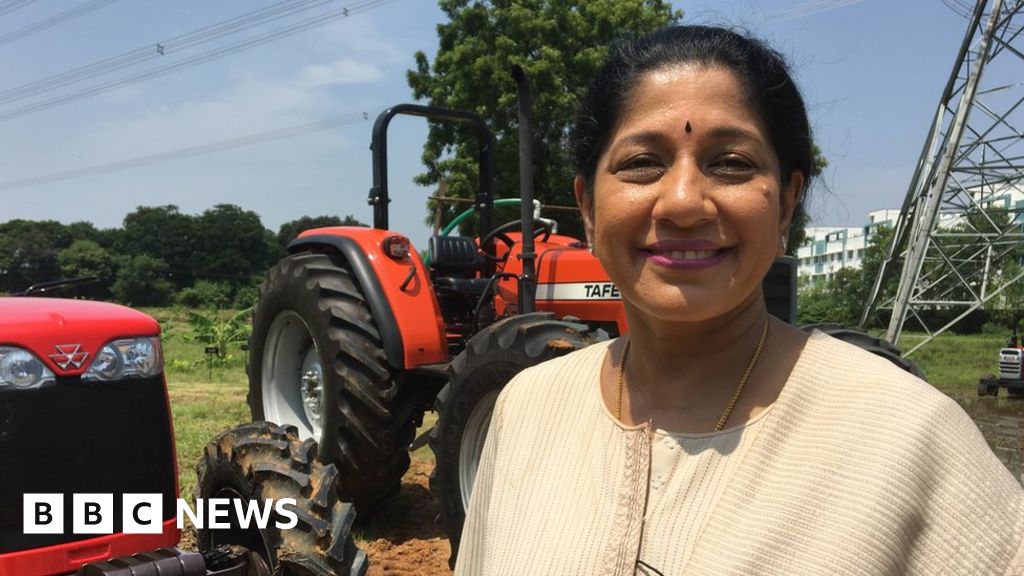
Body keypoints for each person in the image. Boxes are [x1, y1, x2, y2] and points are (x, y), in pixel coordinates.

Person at [453, 25, 1024, 576]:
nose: (682, 203)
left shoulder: (908, 435)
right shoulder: (524, 410)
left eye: (731, 164)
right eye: (641, 164)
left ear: (786, 203)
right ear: (587, 206)